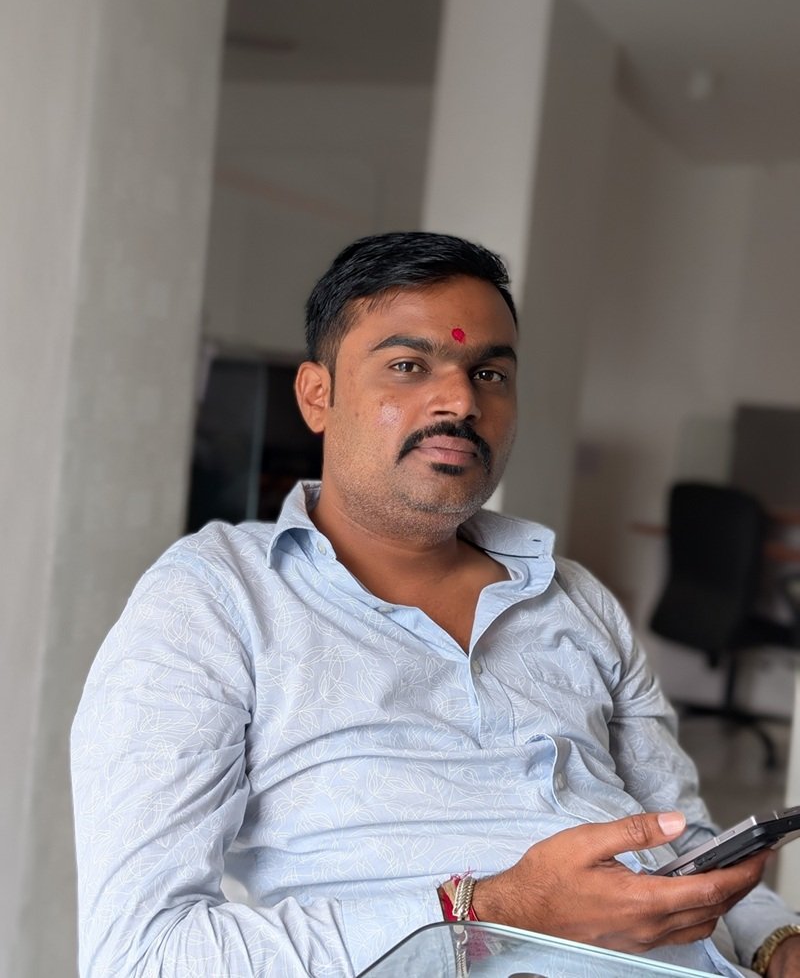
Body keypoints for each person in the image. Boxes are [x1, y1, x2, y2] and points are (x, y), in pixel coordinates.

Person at [72, 232, 800, 978]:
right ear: (318, 396)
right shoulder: (216, 599)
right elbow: (141, 954)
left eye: (489, 373)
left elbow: (686, 839)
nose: (461, 401)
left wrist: (777, 942)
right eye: (407, 366)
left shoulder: (573, 597)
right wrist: (494, 909)